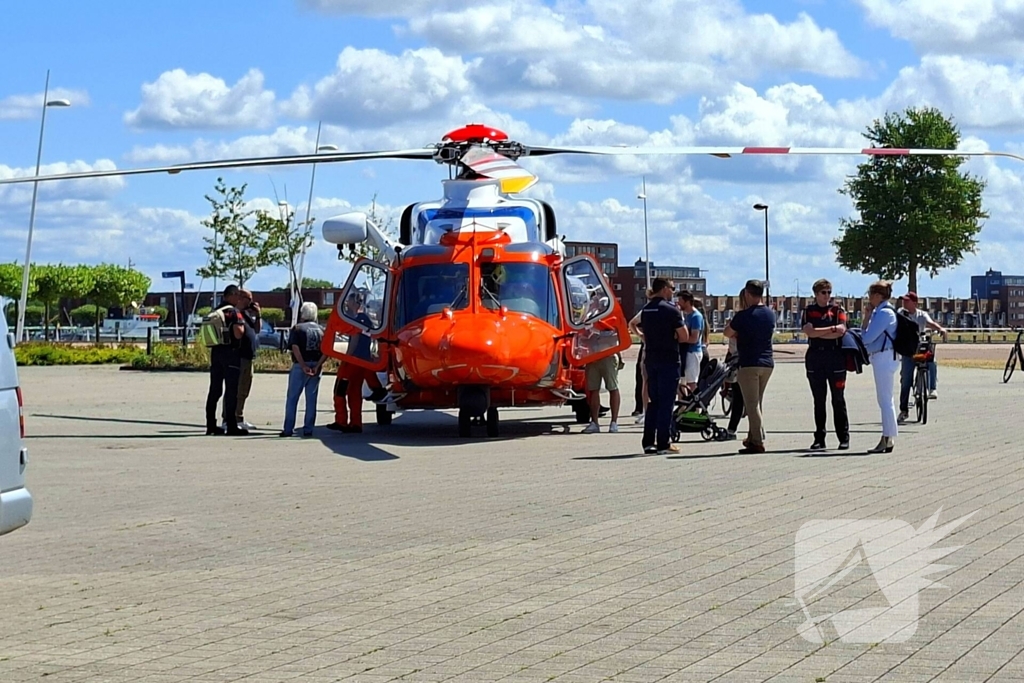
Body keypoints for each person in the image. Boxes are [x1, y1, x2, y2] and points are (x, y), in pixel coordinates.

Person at [723, 279, 775, 454]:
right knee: (757, 401)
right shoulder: (769, 314)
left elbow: (727, 332)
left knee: (751, 404)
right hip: (767, 363)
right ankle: (752, 436)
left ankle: (757, 441)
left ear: (747, 293)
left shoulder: (743, 316)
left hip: (749, 363)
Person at [639, 278, 688, 455]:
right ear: (665, 289)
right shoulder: (671, 310)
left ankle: (648, 441)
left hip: (651, 359)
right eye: (672, 288)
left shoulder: (646, 310)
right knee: (666, 403)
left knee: (653, 401)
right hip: (668, 359)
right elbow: (684, 336)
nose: (673, 292)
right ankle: (663, 443)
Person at [801, 278, 850, 450]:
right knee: (819, 400)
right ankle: (819, 438)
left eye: (829, 292)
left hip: (835, 358)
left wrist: (819, 332)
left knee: (838, 398)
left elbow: (841, 331)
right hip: (815, 358)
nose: (827, 296)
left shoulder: (837, 310)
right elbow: (809, 332)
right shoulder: (809, 310)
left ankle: (843, 437)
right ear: (816, 294)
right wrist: (830, 329)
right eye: (823, 293)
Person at [327, 292, 385, 433]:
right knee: (354, 392)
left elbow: (354, 340)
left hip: (353, 361)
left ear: (354, 303)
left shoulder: (356, 320)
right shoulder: (366, 319)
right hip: (364, 362)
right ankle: (356, 423)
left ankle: (341, 421)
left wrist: (347, 357)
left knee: (339, 391)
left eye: (349, 301)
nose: (347, 304)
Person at [861, 280, 900, 453]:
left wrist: (866, 318)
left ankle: (887, 437)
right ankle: (888, 437)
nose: (869, 298)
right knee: (885, 398)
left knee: (885, 399)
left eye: (870, 294)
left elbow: (867, 337)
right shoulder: (883, 312)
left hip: (884, 356)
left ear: (878, 295)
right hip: (884, 356)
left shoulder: (884, 313)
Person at [897, 291, 947, 424]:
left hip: (920, 348)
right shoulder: (901, 313)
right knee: (906, 380)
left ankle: (932, 388)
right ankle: (904, 410)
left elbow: (930, 323)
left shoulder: (921, 315)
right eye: (904, 300)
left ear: (915, 303)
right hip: (908, 351)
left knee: (931, 361)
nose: (904, 303)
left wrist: (941, 329)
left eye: (907, 301)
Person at [205, 285, 248, 436]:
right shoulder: (233, 312)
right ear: (232, 295)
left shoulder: (215, 311)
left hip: (216, 353)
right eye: (238, 296)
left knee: (214, 390)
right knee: (231, 390)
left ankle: (211, 425)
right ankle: (231, 425)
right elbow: (238, 333)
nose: (239, 299)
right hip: (231, 354)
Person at [281, 302, 325, 437]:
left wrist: (302, 365)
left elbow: (295, 347)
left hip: (300, 365)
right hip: (316, 365)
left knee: (292, 398)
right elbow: (327, 351)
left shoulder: (298, 328)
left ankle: (288, 429)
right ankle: (308, 428)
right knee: (311, 399)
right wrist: (317, 365)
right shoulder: (322, 330)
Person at [223, 287, 259, 431]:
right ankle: (228, 418)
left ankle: (239, 416)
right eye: (248, 299)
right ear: (240, 298)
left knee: (244, 390)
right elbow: (238, 334)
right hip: (238, 357)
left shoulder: (246, 315)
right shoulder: (233, 313)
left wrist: (259, 315)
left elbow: (256, 330)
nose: (251, 302)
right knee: (234, 389)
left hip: (249, 356)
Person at [716, 288, 748, 441]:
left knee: (740, 397)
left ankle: (733, 429)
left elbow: (729, 333)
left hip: (743, 360)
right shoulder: (740, 318)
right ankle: (738, 428)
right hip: (736, 359)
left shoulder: (742, 318)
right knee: (741, 396)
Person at [675, 290, 704, 395]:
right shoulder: (687, 316)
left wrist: (680, 338)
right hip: (686, 352)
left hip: (693, 352)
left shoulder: (696, 317)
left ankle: (697, 407)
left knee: (692, 382)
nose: (678, 303)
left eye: (680, 300)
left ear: (687, 302)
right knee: (684, 381)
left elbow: (694, 338)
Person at [628, 310, 649, 423]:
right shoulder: (647, 310)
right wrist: (641, 335)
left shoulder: (672, 308)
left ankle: (646, 410)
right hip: (648, 348)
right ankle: (643, 409)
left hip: (660, 349)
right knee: (643, 380)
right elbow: (632, 323)